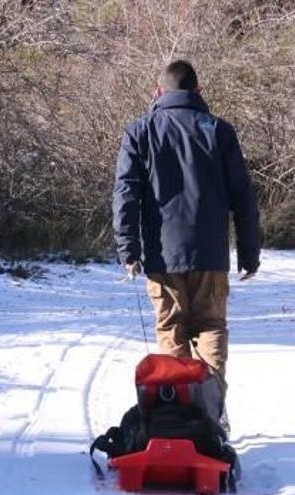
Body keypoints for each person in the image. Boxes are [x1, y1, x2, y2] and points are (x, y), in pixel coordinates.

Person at [112, 60, 261, 428]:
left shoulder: (139, 132)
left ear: (158, 92)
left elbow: (126, 194)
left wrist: (128, 249)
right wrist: (248, 253)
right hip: (210, 254)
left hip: (162, 257)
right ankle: (212, 412)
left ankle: (181, 414)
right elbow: (243, 198)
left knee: (171, 330)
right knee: (211, 327)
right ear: (198, 91)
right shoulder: (219, 131)